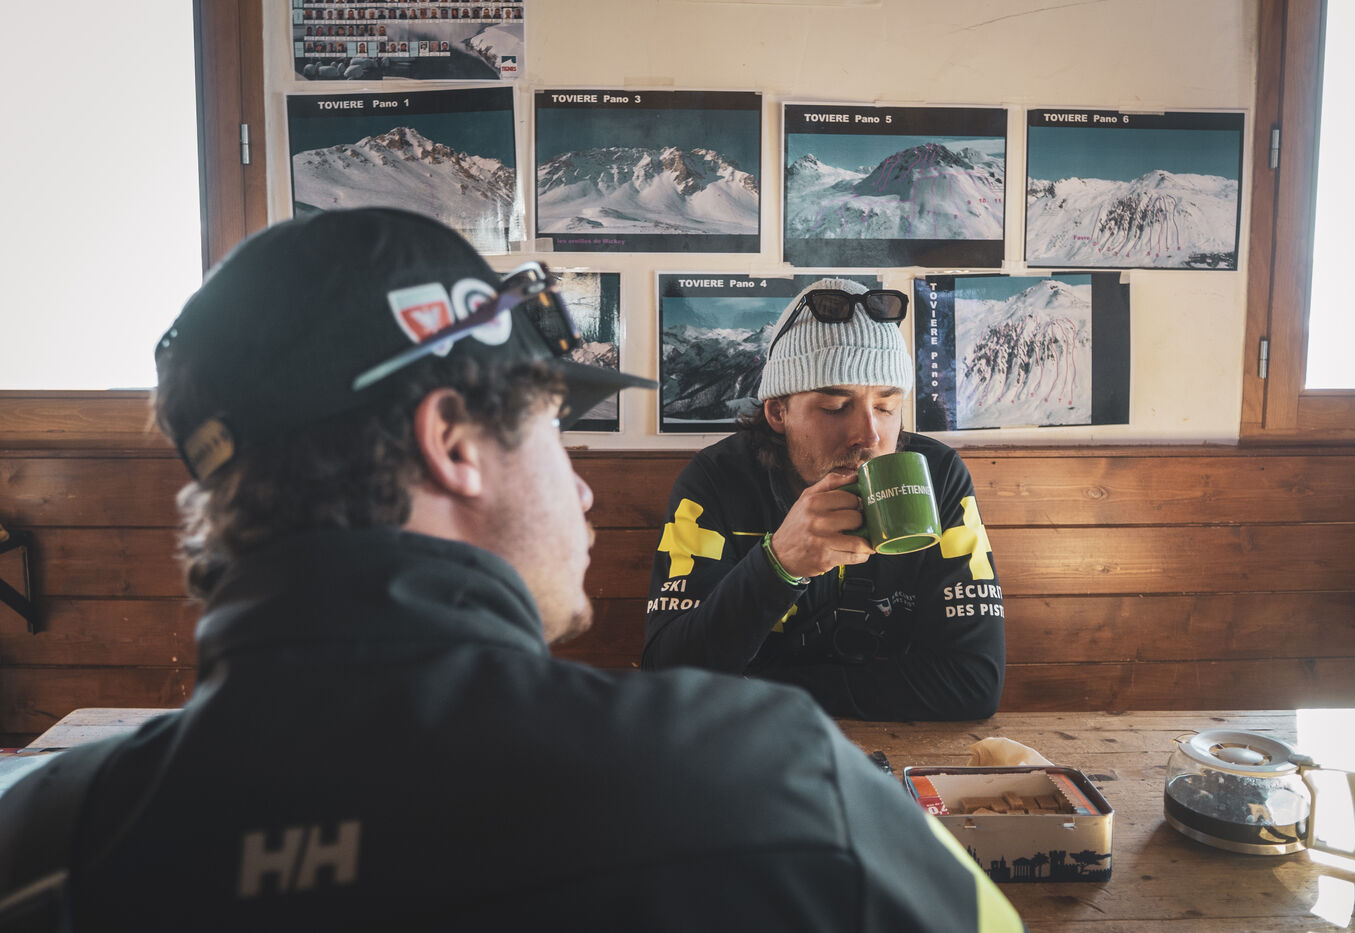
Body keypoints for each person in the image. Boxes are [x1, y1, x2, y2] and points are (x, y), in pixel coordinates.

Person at [0, 211, 1021, 931]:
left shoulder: (39, 844)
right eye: (551, 430)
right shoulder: (775, 786)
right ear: (451, 443)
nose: (579, 486)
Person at [642, 277, 1007, 722]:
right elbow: (666, 675)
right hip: (745, 744)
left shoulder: (937, 476)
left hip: (881, 745)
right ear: (778, 412)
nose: (870, 436)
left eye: (887, 407)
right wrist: (777, 565)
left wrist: (757, 690)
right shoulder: (717, 480)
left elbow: (974, 682)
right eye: (836, 407)